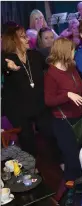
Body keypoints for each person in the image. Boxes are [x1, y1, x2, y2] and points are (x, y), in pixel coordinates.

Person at [44, 38, 82, 181]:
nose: (74, 52)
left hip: (79, 117)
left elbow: (79, 87)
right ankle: (70, 191)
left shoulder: (71, 67)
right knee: (71, 158)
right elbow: (49, 101)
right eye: (72, 50)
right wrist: (67, 95)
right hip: (64, 121)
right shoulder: (51, 74)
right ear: (65, 52)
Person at [2, 24, 52, 157]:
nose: (28, 39)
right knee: (27, 140)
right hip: (18, 109)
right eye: (23, 37)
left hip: (39, 104)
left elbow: (51, 68)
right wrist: (7, 65)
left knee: (50, 131)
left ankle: (60, 161)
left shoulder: (35, 55)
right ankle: (31, 169)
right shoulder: (6, 58)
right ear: (14, 41)